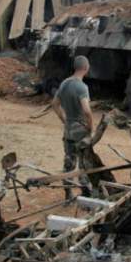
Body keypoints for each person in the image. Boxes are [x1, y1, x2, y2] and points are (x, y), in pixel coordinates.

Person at [52, 55, 95, 199]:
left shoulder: (64, 83)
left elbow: (55, 104)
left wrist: (64, 119)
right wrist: (90, 127)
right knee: (84, 165)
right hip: (80, 131)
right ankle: (86, 196)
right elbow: (87, 111)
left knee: (69, 163)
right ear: (86, 68)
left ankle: (68, 195)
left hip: (68, 130)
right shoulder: (82, 87)